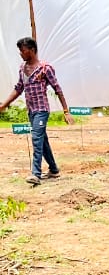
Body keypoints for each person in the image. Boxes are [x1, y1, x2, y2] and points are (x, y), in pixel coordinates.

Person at [0, 37, 74, 185]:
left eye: (23, 50)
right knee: (42, 140)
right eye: (20, 51)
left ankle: (36, 174)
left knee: (36, 138)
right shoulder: (22, 68)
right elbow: (19, 88)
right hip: (31, 110)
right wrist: (4, 105)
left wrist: (66, 111)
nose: (20, 53)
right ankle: (53, 170)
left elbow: (57, 89)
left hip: (42, 110)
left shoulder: (45, 68)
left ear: (32, 50)